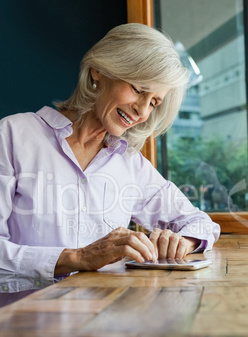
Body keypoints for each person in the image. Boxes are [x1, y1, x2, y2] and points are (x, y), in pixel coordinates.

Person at [0, 23, 220, 295]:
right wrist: (77, 258)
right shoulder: (12, 136)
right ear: (99, 72)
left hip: (104, 326)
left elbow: (200, 223)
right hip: (21, 331)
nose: (142, 111)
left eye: (154, 102)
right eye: (139, 90)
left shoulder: (129, 162)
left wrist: (183, 242)